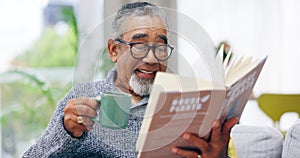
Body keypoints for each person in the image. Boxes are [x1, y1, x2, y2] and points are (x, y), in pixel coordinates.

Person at [23, 2, 237, 158]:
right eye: (139, 46)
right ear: (114, 50)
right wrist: (66, 131)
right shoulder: (83, 98)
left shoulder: (185, 103)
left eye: (161, 47)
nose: (152, 59)